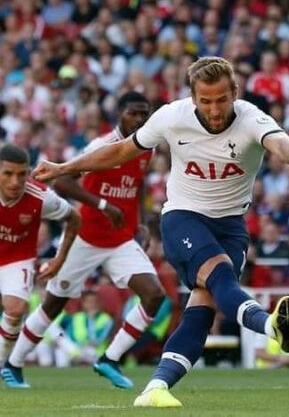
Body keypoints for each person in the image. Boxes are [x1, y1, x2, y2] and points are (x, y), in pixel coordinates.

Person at [32, 56, 289, 408]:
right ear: (193, 98)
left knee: (204, 306)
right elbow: (121, 150)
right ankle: (269, 324)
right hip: (183, 217)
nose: (214, 110)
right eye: (206, 101)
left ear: (235, 93)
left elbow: (279, 141)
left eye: (222, 100)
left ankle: (156, 387)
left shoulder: (251, 118)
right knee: (222, 276)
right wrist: (65, 166)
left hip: (231, 225)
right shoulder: (171, 116)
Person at [2, 92, 166, 390]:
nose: (140, 119)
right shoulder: (100, 147)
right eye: (134, 113)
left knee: (155, 295)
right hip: (85, 237)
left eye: (145, 114)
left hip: (120, 240)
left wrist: (140, 220)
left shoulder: (147, 149)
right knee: (53, 305)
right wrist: (104, 206)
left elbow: (137, 185)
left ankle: (110, 359)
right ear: (119, 114)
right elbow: (62, 181)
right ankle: (13, 365)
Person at [0, 144, 80, 382]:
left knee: (15, 310)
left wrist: (59, 259)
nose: (16, 181)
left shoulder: (41, 197)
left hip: (17, 257)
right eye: (8, 174)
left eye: (22, 174)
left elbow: (73, 218)